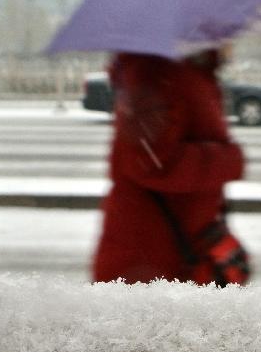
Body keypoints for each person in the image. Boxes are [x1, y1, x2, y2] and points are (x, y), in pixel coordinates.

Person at [92, 47, 250, 286]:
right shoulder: (155, 70)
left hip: (176, 251)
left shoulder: (190, 71)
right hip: (147, 261)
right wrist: (229, 160)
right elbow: (151, 161)